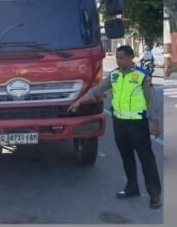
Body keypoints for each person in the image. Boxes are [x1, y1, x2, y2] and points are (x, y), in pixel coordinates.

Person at [68, 44, 162, 210]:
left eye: (121, 58)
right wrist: (78, 102)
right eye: (117, 58)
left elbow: (150, 100)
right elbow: (96, 90)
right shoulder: (114, 75)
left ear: (131, 58)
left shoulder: (142, 76)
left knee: (146, 159)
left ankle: (154, 195)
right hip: (120, 123)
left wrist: (154, 122)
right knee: (127, 158)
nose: (118, 61)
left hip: (138, 124)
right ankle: (132, 187)